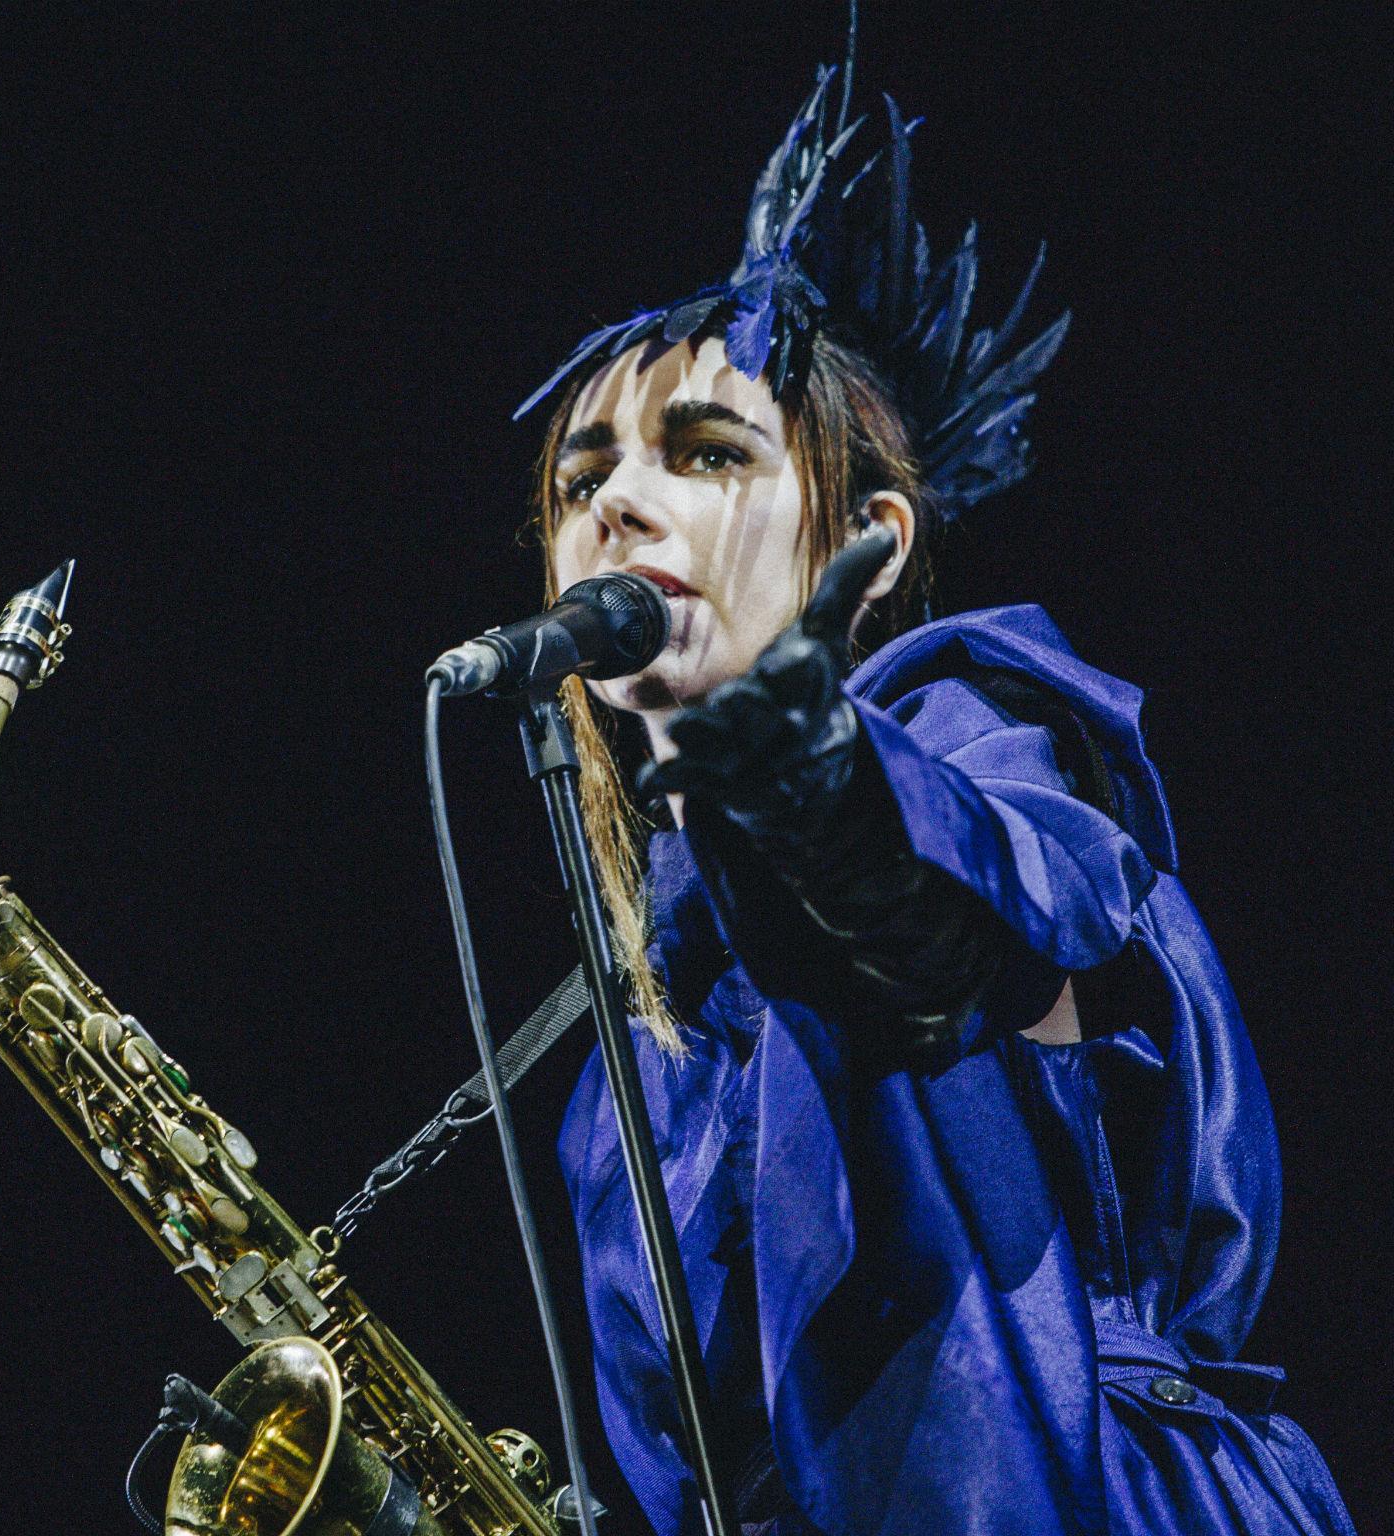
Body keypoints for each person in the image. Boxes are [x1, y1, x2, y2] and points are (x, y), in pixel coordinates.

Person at [516, 61, 1359, 1536]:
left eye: (707, 453)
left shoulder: (985, 737)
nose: (618, 502)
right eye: (583, 476)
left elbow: (972, 946)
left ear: (874, 538)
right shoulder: (622, 1046)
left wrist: (826, 803)